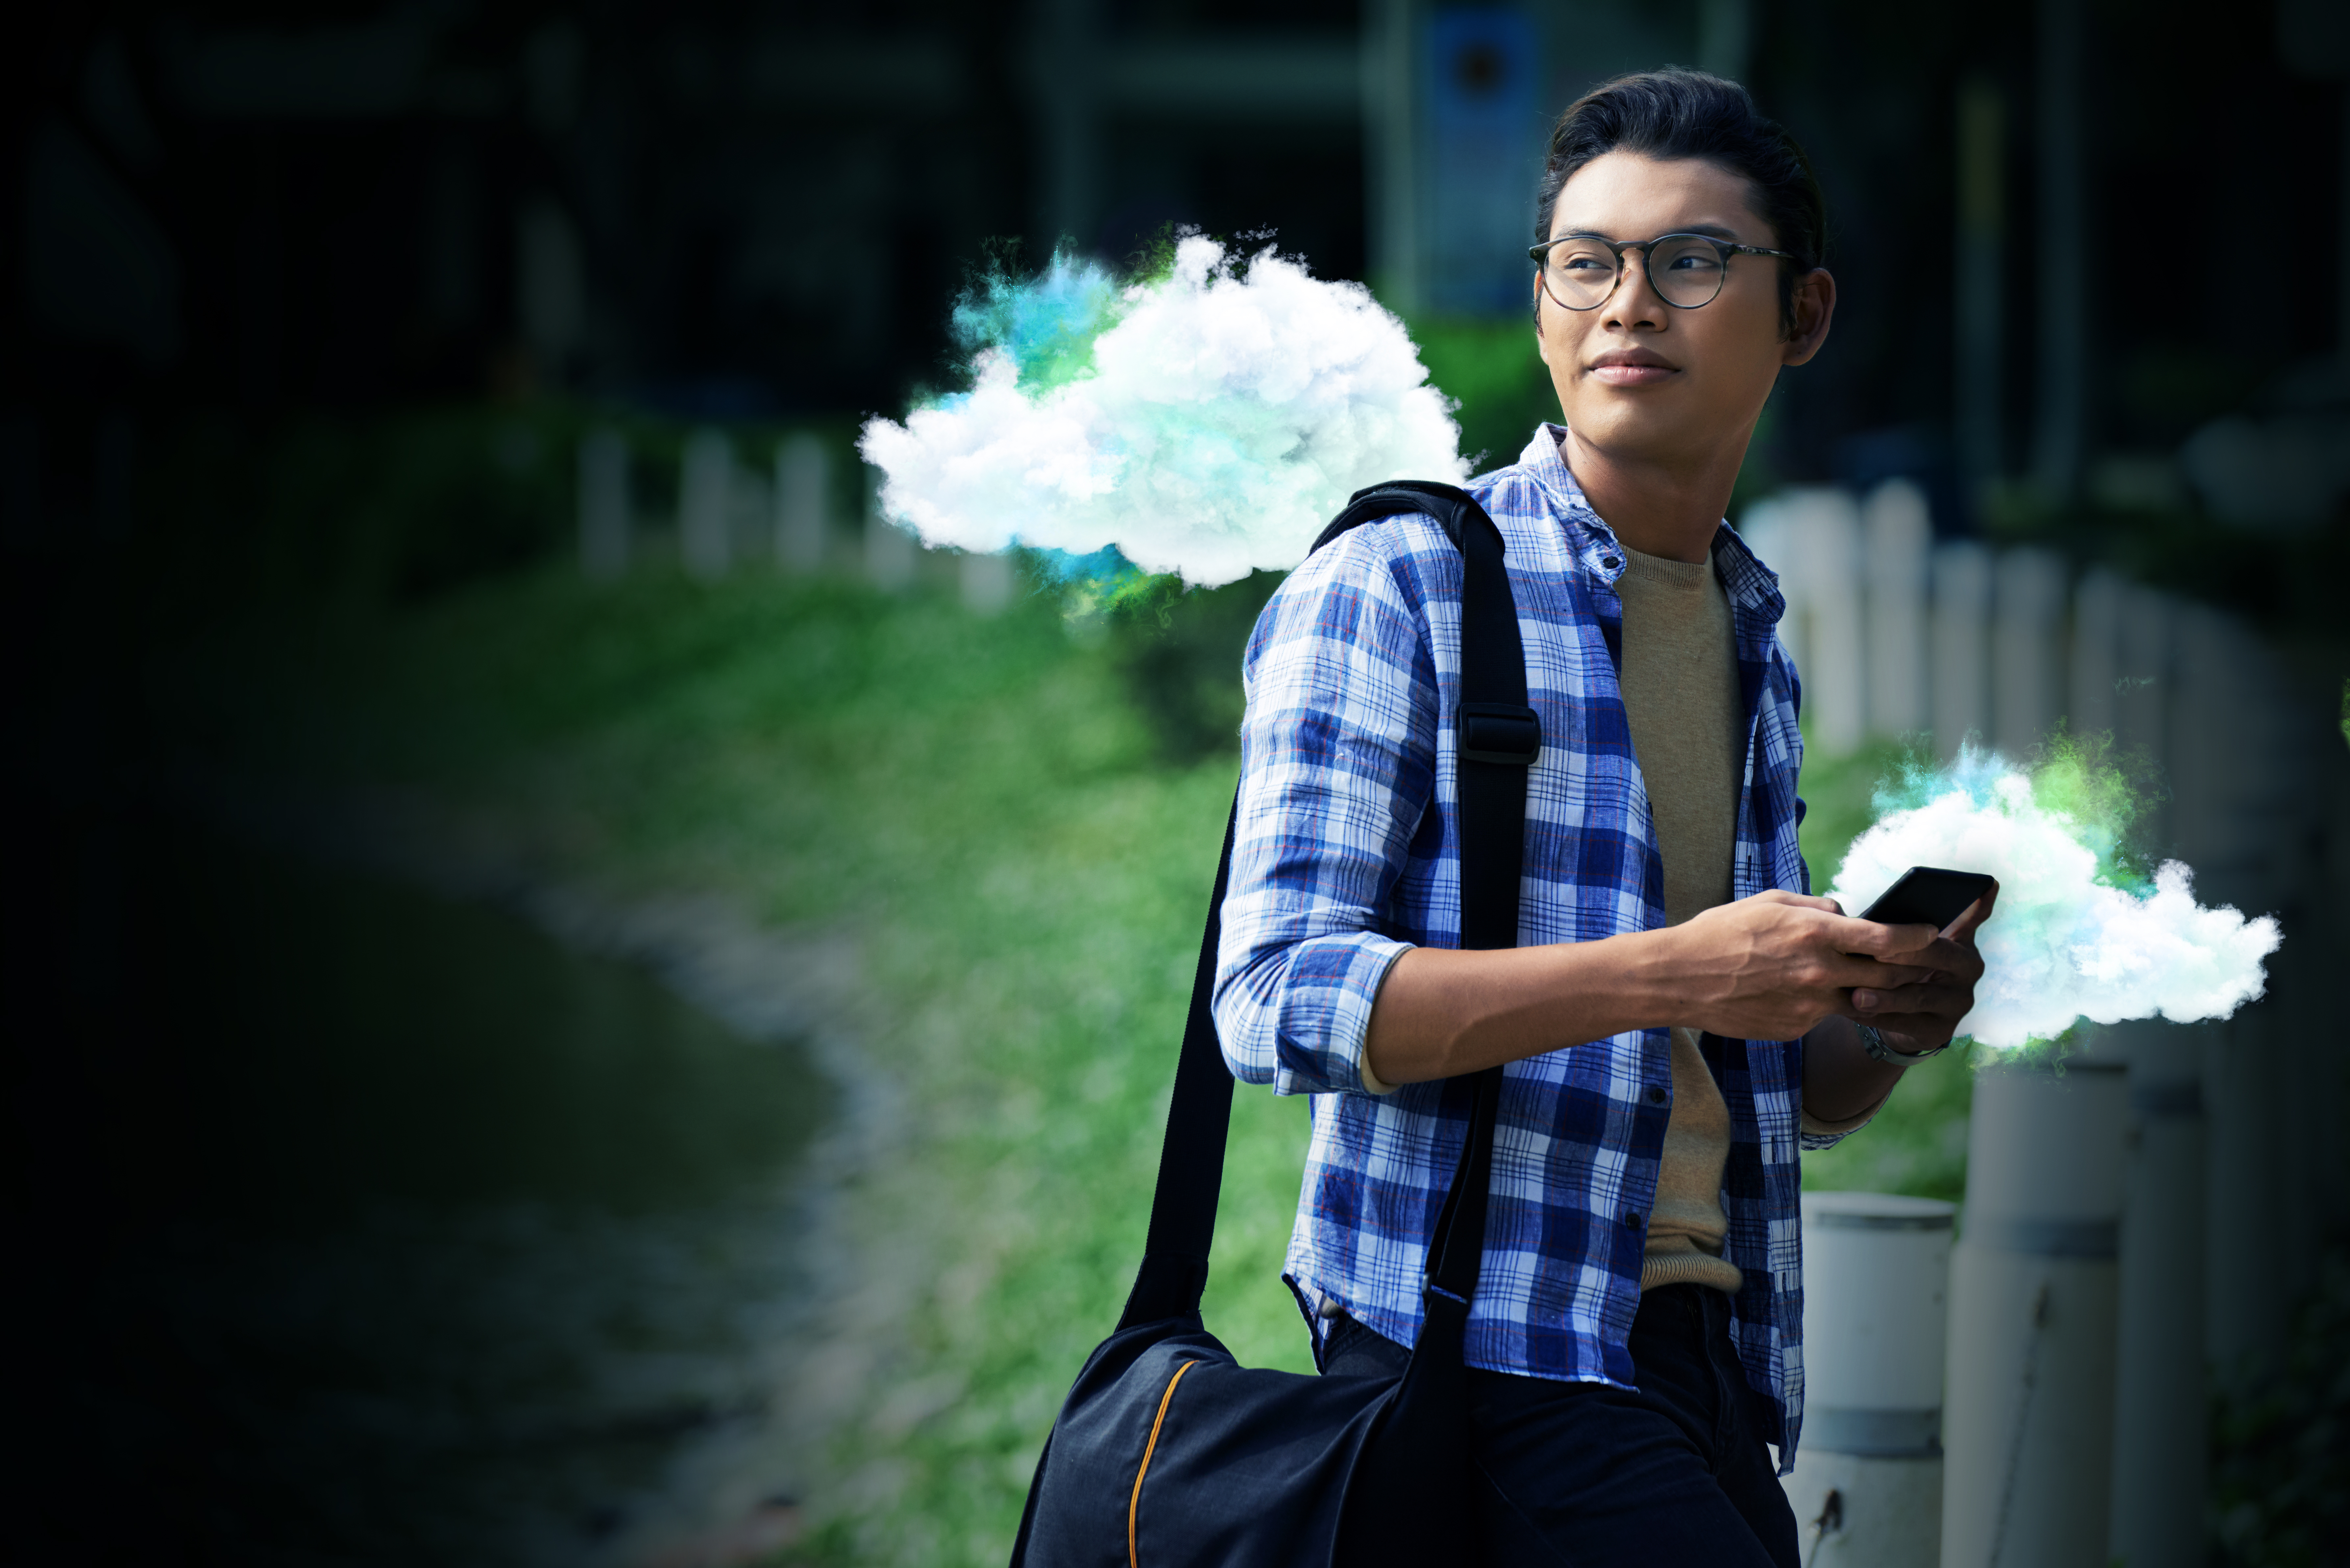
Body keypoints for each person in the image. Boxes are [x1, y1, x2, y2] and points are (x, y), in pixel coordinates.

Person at [1211, 69, 1996, 1566]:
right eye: (1588, 261)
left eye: (1690, 260)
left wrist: (1882, 1014)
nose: (1627, 301)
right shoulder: (1403, 583)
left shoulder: (1746, 622)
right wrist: (1674, 969)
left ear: (1802, 315)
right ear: (1541, 305)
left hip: (1709, 1353)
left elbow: (1784, 1084)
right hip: (1482, 1348)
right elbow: (1272, 997)